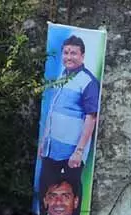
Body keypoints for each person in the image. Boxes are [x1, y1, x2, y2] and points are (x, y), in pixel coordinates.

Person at [37, 35, 101, 194]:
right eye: (66, 53)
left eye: (73, 53)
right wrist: (44, 142)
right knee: (45, 195)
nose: (68, 57)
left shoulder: (88, 82)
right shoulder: (62, 76)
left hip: (70, 156)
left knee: (69, 200)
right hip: (51, 151)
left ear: (82, 56)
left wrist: (78, 152)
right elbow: (52, 112)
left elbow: (91, 117)